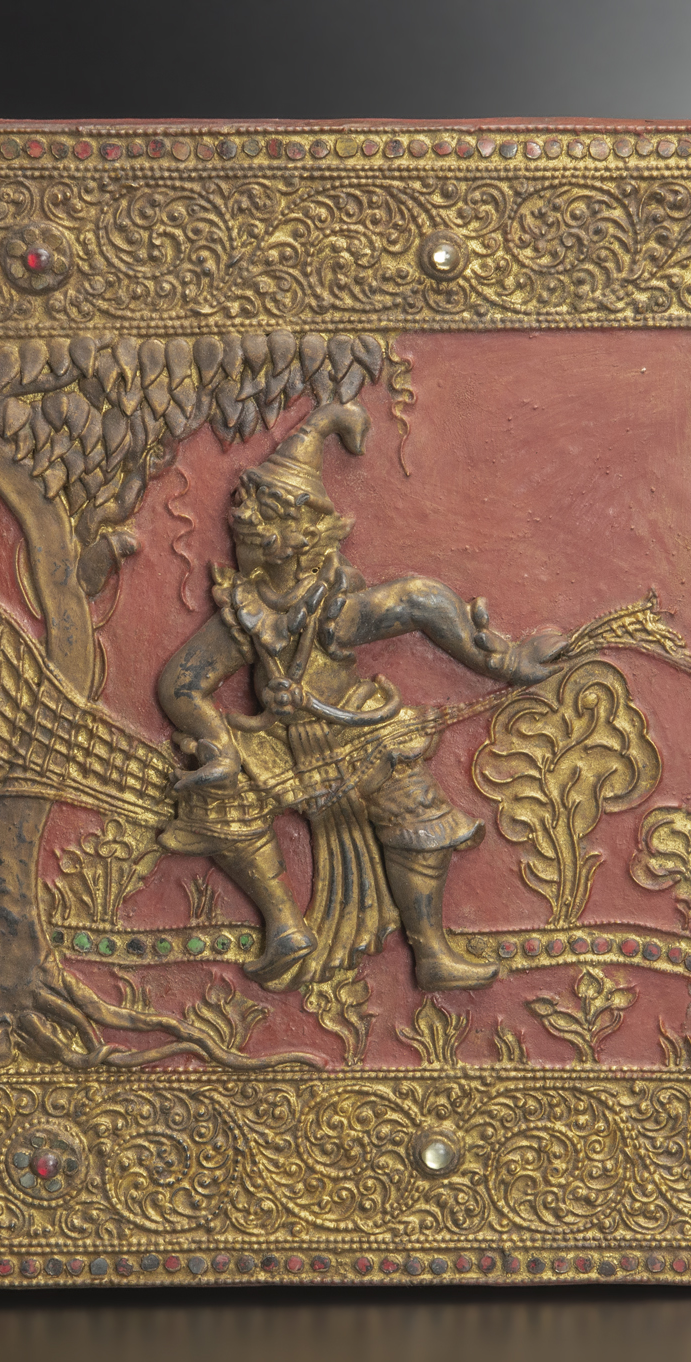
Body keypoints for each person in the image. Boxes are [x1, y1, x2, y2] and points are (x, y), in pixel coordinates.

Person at [157, 401, 564, 993]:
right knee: (218, 803)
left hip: (359, 734)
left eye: (262, 516)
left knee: (418, 817)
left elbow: (418, 601)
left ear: (302, 534)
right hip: (282, 747)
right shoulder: (244, 613)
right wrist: (218, 748)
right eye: (244, 515)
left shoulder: (334, 606)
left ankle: (431, 951)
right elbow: (180, 684)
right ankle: (284, 925)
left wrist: (500, 660)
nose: (243, 523)